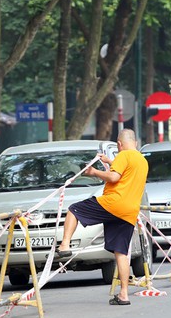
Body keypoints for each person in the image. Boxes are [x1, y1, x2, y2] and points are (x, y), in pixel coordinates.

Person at [57, 129, 148, 306]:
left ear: (119, 144)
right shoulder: (142, 161)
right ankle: (123, 294)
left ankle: (65, 245)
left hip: (113, 203)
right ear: (135, 143)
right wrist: (110, 162)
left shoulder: (123, 155)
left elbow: (114, 177)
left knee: (74, 210)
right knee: (121, 253)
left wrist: (93, 172)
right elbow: (127, 171)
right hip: (129, 211)